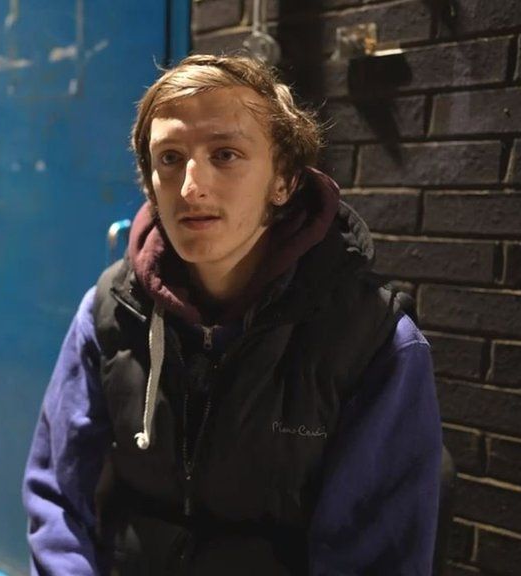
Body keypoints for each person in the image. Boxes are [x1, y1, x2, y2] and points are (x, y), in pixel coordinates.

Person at [22, 54, 442, 575]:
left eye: (225, 154)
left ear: (284, 180)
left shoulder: (372, 341)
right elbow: (59, 495)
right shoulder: (109, 312)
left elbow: (375, 558)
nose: (192, 187)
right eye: (170, 158)